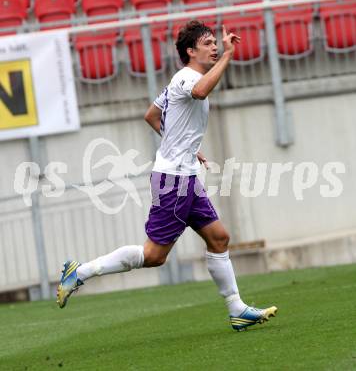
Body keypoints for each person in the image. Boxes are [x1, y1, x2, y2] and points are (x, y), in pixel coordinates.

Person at [57, 20, 277, 331]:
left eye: (216, 42)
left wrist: (183, 145)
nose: (215, 46)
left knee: (219, 238)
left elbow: (151, 115)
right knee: (154, 255)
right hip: (174, 181)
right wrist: (228, 56)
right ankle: (80, 273)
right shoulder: (188, 78)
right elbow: (200, 92)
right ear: (191, 51)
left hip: (184, 175)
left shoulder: (183, 80)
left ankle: (237, 310)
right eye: (208, 43)